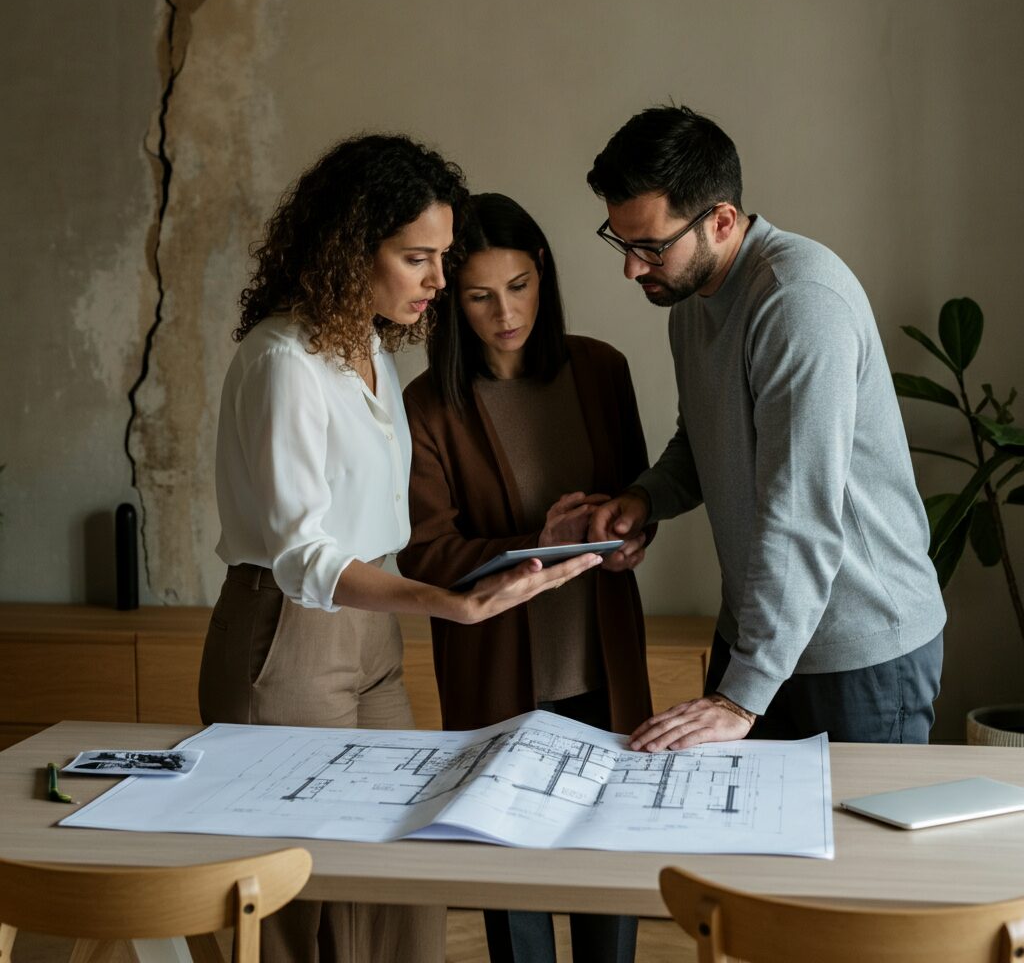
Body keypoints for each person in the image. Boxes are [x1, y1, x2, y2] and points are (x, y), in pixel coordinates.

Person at [197, 138, 601, 963]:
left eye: (442, 258)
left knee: (399, 874)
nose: (439, 281)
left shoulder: (371, 350)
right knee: (296, 898)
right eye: (418, 258)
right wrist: (447, 603)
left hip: (373, 632)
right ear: (351, 250)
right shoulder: (282, 361)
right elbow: (303, 557)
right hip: (290, 632)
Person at [586, 105, 946, 752]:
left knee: (853, 827)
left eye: (651, 247)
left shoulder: (797, 301)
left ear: (722, 220)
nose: (632, 268)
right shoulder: (690, 301)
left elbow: (800, 512)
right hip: (762, 636)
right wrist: (643, 499)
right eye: (622, 242)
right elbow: (704, 444)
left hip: (858, 649)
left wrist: (739, 695)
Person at [397, 192, 652, 963]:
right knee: (512, 894)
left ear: (542, 271)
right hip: (499, 671)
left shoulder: (602, 370)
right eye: (479, 296)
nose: (505, 314)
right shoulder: (429, 405)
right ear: (451, 298)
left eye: (518, 286)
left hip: (602, 664)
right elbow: (424, 553)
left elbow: (638, 497)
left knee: (608, 867)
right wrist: (536, 542)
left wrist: (630, 538)